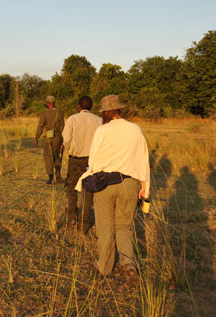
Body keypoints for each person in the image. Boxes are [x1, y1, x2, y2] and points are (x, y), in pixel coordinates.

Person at [77, 95, 150, 280]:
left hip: (105, 183)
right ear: (120, 110)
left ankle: (105, 266)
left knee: (105, 227)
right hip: (129, 183)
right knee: (125, 226)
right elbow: (144, 160)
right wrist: (144, 187)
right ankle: (129, 264)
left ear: (105, 112)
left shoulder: (102, 131)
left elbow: (93, 162)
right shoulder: (135, 129)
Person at [61, 95, 102, 233]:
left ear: (79, 107)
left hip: (76, 159)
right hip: (92, 161)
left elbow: (66, 139)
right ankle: (84, 223)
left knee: (72, 187)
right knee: (88, 190)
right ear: (90, 107)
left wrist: (69, 150)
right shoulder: (99, 120)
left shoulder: (73, 119)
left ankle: (72, 217)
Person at [34, 95, 65, 185]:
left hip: (47, 138)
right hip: (58, 137)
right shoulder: (60, 113)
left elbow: (40, 126)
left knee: (48, 157)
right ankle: (58, 171)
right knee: (57, 155)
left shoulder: (44, 113)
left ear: (48, 103)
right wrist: (63, 140)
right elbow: (62, 127)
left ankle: (51, 178)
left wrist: (36, 138)